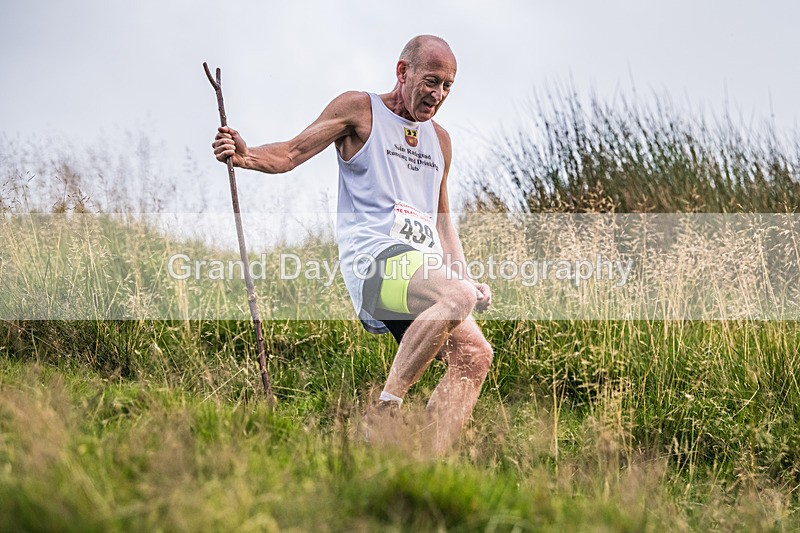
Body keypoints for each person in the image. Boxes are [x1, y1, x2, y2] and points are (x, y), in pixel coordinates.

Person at [212, 35, 493, 453]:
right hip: (376, 260)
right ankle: (384, 409)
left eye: (447, 86)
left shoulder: (440, 142)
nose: (437, 95)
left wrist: (468, 281)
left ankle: (426, 464)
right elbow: (291, 152)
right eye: (431, 81)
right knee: (456, 296)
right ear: (403, 72)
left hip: (422, 273)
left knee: (475, 356)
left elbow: (443, 222)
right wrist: (246, 155)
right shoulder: (361, 111)